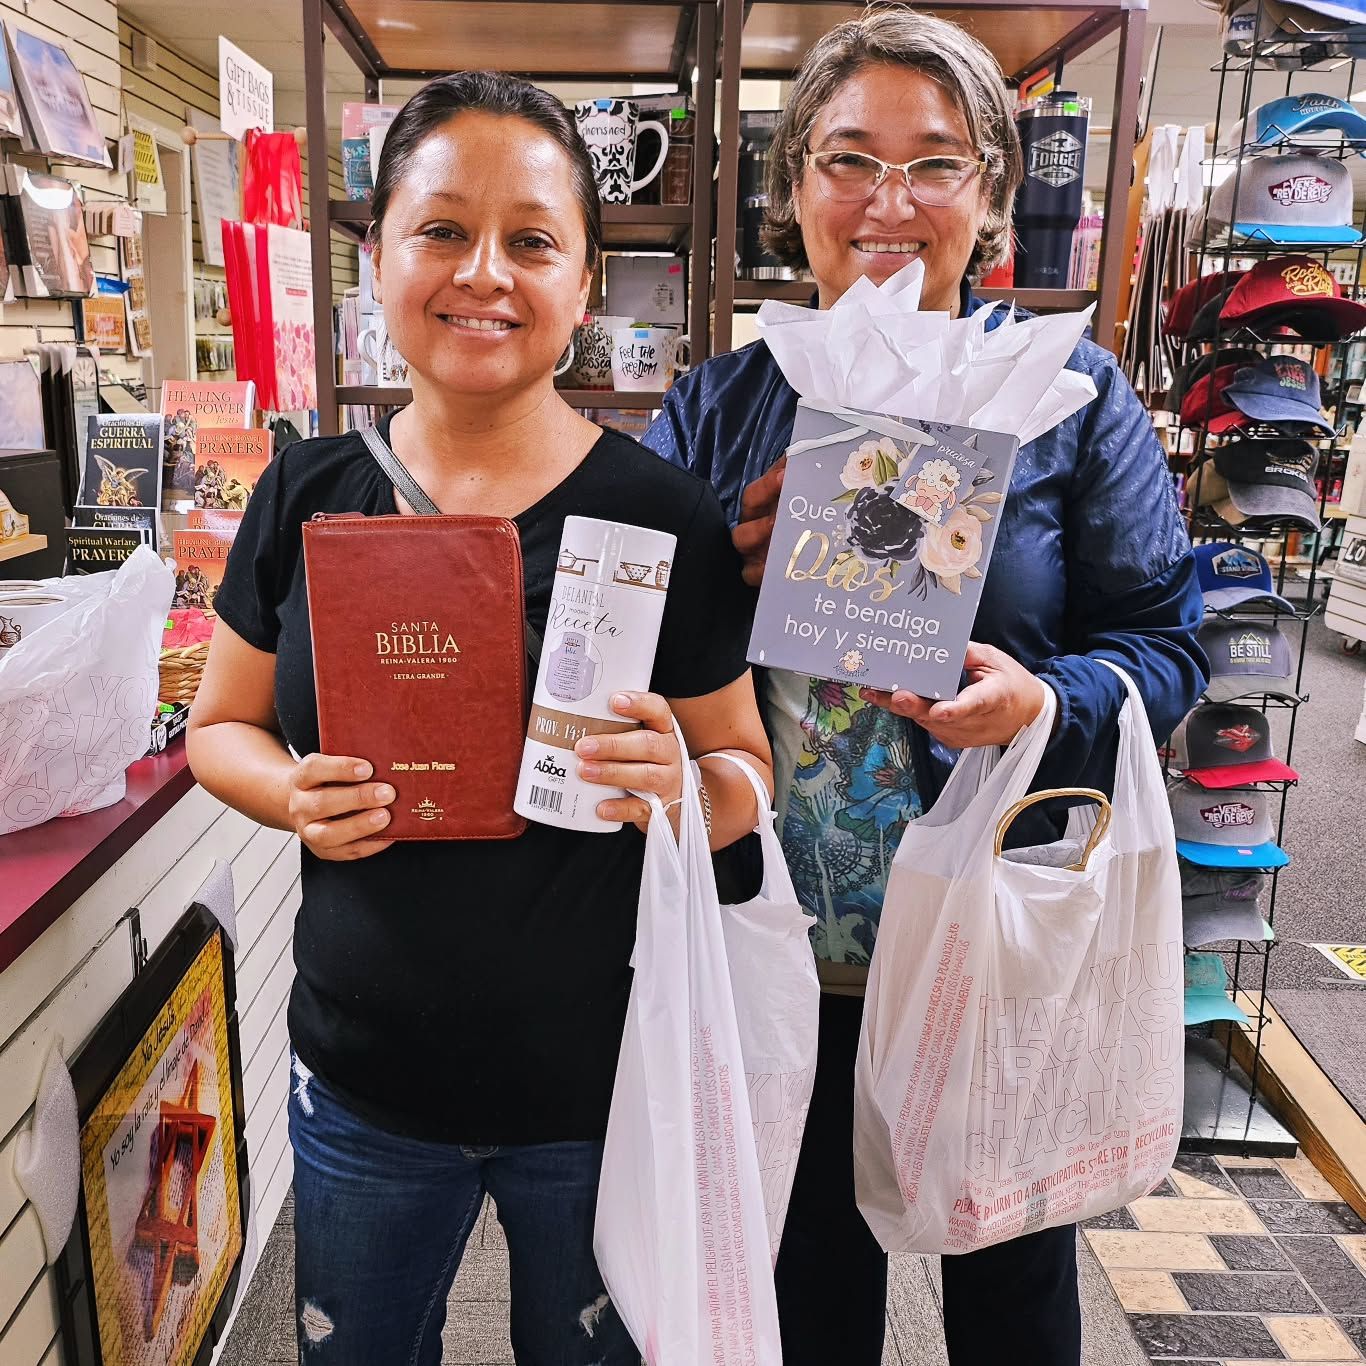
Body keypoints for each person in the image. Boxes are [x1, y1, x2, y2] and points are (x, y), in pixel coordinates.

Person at [644, 10, 1208, 1365]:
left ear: (990, 197)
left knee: (1009, 1289)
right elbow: (631, 652)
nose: (886, 203)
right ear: (793, 195)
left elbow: (1162, 641)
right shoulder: (726, 401)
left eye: (933, 164)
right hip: (784, 943)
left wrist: (1039, 699)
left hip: (986, 937)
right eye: (846, 160)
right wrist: (726, 559)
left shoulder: (1070, 395)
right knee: (805, 1287)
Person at [187, 70, 772, 1366]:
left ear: (581, 283)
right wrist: (286, 793)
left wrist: (681, 778)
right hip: (363, 1081)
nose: (483, 273)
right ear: (380, 253)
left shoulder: (661, 513)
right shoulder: (306, 489)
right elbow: (218, 726)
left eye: (532, 239)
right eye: (442, 228)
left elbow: (744, 772)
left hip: (602, 1089)